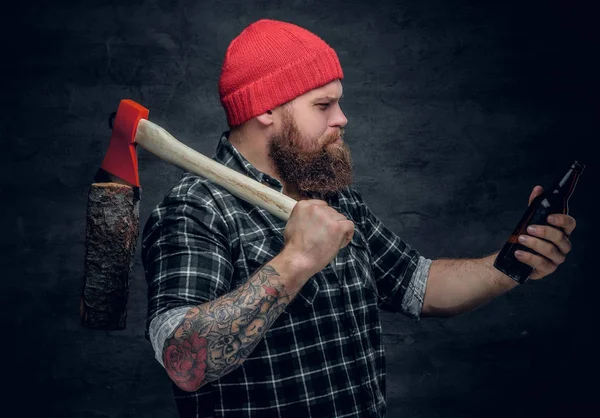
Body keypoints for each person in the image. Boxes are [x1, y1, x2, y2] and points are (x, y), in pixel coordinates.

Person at [141, 19, 577, 418]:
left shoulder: (332, 197)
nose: (342, 118)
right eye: (323, 105)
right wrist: (296, 260)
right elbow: (184, 363)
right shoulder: (195, 209)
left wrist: (514, 264)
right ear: (266, 109)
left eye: (339, 103)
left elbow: (418, 286)